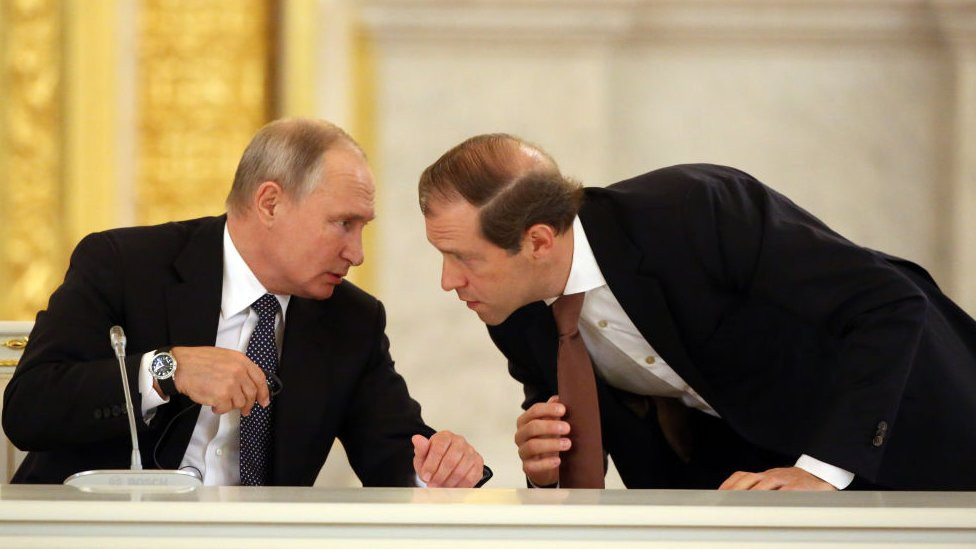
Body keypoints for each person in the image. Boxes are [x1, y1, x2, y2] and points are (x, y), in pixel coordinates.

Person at [418, 133, 976, 491]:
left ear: (538, 241)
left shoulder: (694, 211)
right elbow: (585, 438)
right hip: (761, 493)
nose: (449, 281)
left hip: (921, 432)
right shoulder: (513, 312)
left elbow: (889, 302)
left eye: (462, 258)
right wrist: (546, 471)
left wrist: (819, 472)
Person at [3, 118, 486, 488]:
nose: (356, 254)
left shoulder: (349, 318)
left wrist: (441, 466)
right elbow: (30, 409)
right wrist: (165, 372)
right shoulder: (125, 265)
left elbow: (394, 453)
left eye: (363, 229)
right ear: (270, 203)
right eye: (343, 224)